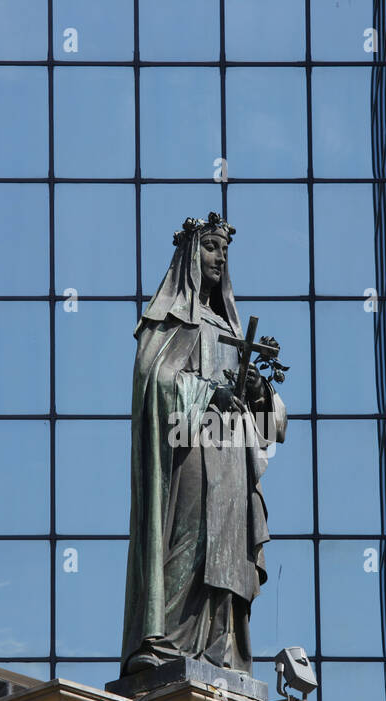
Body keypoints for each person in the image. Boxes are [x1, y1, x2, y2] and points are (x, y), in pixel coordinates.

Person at [120, 212, 287, 676]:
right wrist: (208, 391)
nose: (219, 257)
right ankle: (168, 641)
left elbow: (275, 426)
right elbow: (154, 382)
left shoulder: (230, 327)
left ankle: (221, 650)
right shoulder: (171, 320)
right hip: (192, 447)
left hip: (233, 457)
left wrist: (255, 389)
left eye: (224, 251)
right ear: (192, 255)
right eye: (211, 248)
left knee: (229, 552)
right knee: (189, 540)